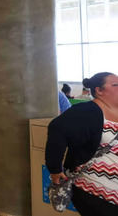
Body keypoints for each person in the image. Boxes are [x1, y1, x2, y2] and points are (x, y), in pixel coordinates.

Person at [46, 72, 118, 215]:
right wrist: (54, 169)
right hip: (95, 189)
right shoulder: (87, 111)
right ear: (99, 90)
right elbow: (56, 128)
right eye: (116, 85)